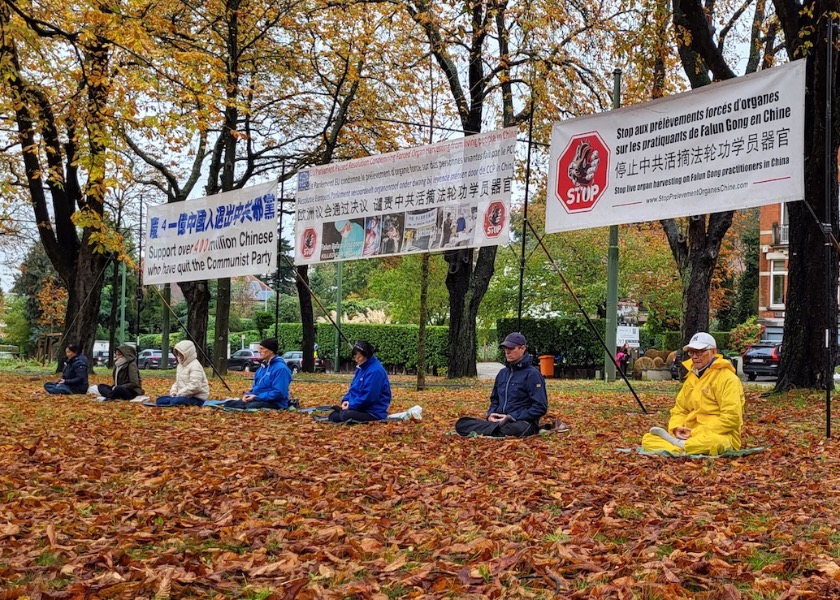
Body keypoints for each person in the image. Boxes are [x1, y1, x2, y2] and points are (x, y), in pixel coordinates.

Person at [641, 332, 745, 455]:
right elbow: (680, 409)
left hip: (718, 435)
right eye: (691, 352)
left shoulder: (728, 379)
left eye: (700, 352)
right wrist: (677, 428)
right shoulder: (691, 378)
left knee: (713, 442)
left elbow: (732, 418)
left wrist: (696, 432)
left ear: (713, 351)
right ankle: (682, 447)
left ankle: (679, 447)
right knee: (648, 439)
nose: (695, 356)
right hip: (687, 434)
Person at [455, 332, 549, 437]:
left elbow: (540, 407)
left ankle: (489, 430)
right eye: (505, 348)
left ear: (522, 348)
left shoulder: (532, 375)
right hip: (498, 421)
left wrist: (511, 417)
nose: (507, 351)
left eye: (511, 348)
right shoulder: (502, 373)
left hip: (521, 422)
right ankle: (492, 429)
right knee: (462, 423)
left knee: (514, 428)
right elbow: (494, 399)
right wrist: (491, 414)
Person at [327, 340, 391, 423]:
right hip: (360, 407)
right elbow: (353, 388)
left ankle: (345, 413)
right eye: (355, 357)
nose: (356, 360)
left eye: (359, 357)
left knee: (346, 415)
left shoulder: (375, 371)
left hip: (373, 411)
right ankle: (345, 412)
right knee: (334, 416)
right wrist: (346, 400)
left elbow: (369, 397)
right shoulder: (361, 368)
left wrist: (351, 405)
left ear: (366, 356)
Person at [222, 338, 292, 409]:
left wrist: (256, 397)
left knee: (251, 406)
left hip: (275, 403)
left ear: (271, 351)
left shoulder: (281, 368)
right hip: (258, 399)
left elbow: (279, 393)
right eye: (259, 349)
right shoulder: (262, 367)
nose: (259, 351)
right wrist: (248, 395)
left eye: (262, 349)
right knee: (229, 403)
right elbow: (256, 388)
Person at [153, 340, 209, 406]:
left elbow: (195, 386)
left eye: (181, 354)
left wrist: (180, 393)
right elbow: (178, 382)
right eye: (178, 354)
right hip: (183, 395)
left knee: (175, 401)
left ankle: (174, 401)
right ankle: (173, 400)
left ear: (187, 353)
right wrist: (174, 392)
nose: (179, 356)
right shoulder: (180, 365)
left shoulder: (195, 366)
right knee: (159, 400)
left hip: (197, 398)